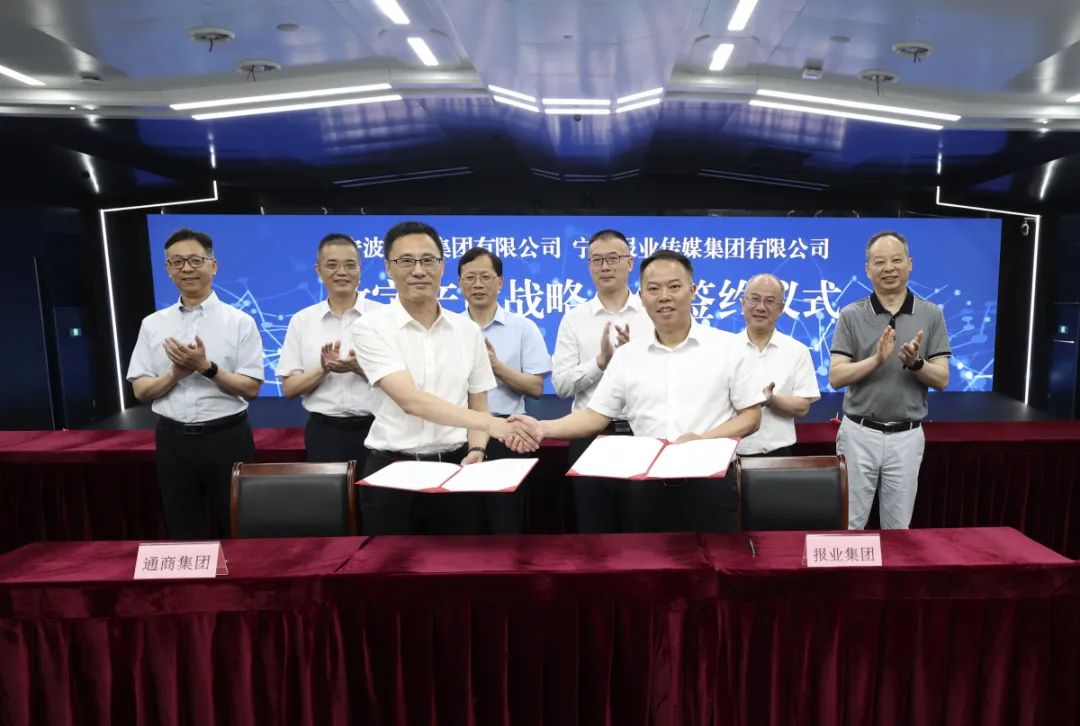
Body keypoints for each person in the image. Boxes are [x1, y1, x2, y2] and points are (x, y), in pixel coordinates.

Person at [508, 250, 763, 532]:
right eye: (653, 289)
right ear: (641, 297)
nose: (664, 296)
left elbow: (751, 417)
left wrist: (702, 441)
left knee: (716, 559)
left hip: (711, 484)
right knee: (648, 560)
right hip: (647, 489)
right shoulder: (627, 356)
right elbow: (594, 416)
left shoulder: (728, 347)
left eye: (674, 286)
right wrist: (542, 428)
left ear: (693, 291)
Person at [351, 221, 537, 534]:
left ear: (442, 266)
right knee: (390, 563)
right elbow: (411, 401)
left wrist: (477, 449)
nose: (418, 271)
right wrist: (492, 425)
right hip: (392, 473)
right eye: (406, 261)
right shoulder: (370, 327)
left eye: (428, 260)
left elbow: (478, 402)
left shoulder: (467, 331)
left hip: (455, 469)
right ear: (388, 268)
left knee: (459, 561)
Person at [127, 228, 264, 539]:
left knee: (239, 527)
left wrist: (206, 368)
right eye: (177, 262)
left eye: (194, 260)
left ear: (212, 266)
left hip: (227, 438)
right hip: (173, 441)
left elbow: (251, 388)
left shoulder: (240, 322)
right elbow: (141, 391)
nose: (186, 268)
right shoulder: (153, 324)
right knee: (183, 530)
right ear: (167, 269)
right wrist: (175, 374)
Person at [828, 230, 951, 530]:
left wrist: (916, 363)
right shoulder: (851, 314)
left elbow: (942, 379)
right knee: (849, 525)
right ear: (867, 269)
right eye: (879, 262)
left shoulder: (931, 314)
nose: (889, 268)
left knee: (898, 529)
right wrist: (876, 360)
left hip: (907, 436)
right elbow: (836, 377)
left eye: (896, 260)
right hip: (858, 433)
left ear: (910, 264)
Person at [551, 228, 653, 532]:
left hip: (642, 434)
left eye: (613, 258)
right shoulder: (574, 319)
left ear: (630, 263)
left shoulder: (653, 315)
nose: (605, 266)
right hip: (590, 437)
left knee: (644, 528)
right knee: (594, 530)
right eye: (597, 260)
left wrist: (634, 360)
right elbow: (561, 386)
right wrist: (600, 362)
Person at [458, 247, 551, 532]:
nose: (477, 284)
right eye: (470, 277)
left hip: (507, 435)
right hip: (459, 434)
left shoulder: (523, 328)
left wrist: (496, 367)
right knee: (463, 523)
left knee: (506, 523)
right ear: (459, 283)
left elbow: (536, 387)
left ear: (500, 282)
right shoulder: (450, 329)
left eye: (485, 277)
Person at [278, 233, 382, 471]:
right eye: (332, 265)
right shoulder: (302, 321)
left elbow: (403, 382)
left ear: (360, 269)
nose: (341, 272)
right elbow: (289, 389)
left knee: (373, 494)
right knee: (327, 495)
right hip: (324, 432)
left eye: (350, 265)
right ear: (318, 270)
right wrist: (323, 369)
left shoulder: (383, 317)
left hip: (377, 429)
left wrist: (359, 368)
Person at [736, 273, 821, 457]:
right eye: (755, 299)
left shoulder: (797, 350)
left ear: (781, 308)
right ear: (743, 303)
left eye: (769, 301)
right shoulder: (726, 349)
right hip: (732, 455)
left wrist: (771, 400)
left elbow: (802, 406)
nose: (761, 307)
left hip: (778, 456)